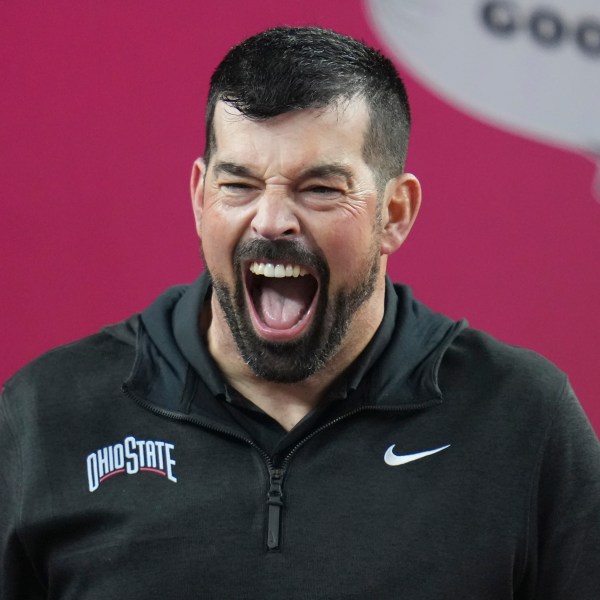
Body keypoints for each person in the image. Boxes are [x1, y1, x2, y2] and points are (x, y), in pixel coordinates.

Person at [1, 26, 599, 600]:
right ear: (199, 196)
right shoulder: (44, 418)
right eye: (239, 185)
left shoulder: (521, 418)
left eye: (319, 188)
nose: (271, 221)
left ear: (395, 212)